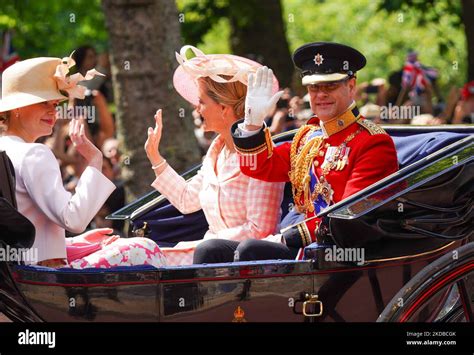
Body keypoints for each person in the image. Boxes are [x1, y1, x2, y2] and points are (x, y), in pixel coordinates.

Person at [196, 42, 399, 263]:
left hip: (341, 251)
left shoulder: (373, 142)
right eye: (313, 88)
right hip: (309, 245)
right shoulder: (308, 137)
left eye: (330, 86)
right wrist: (253, 123)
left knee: (250, 251)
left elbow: (348, 217)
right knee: (210, 250)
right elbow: (260, 167)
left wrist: (287, 237)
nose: (321, 95)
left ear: (351, 86)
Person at [0, 56, 166, 268]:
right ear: (18, 108)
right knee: (145, 247)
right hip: (43, 278)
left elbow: (27, 227)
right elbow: (74, 220)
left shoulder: (8, 150)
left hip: (17, 276)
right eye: (44, 103)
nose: (53, 111)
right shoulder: (35, 154)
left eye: (55, 103)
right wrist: (95, 160)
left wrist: (73, 242)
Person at [144, 45, 285, 266]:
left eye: (201, 102)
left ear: (224, 109)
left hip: (241, 263)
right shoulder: (216, 152)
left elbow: (260, 230)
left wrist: (205, 244)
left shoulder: (261, 154)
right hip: (206, 255)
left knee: (140, 257)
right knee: (133, 250)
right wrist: (155, 158)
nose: (196, 109)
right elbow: (186, 199)